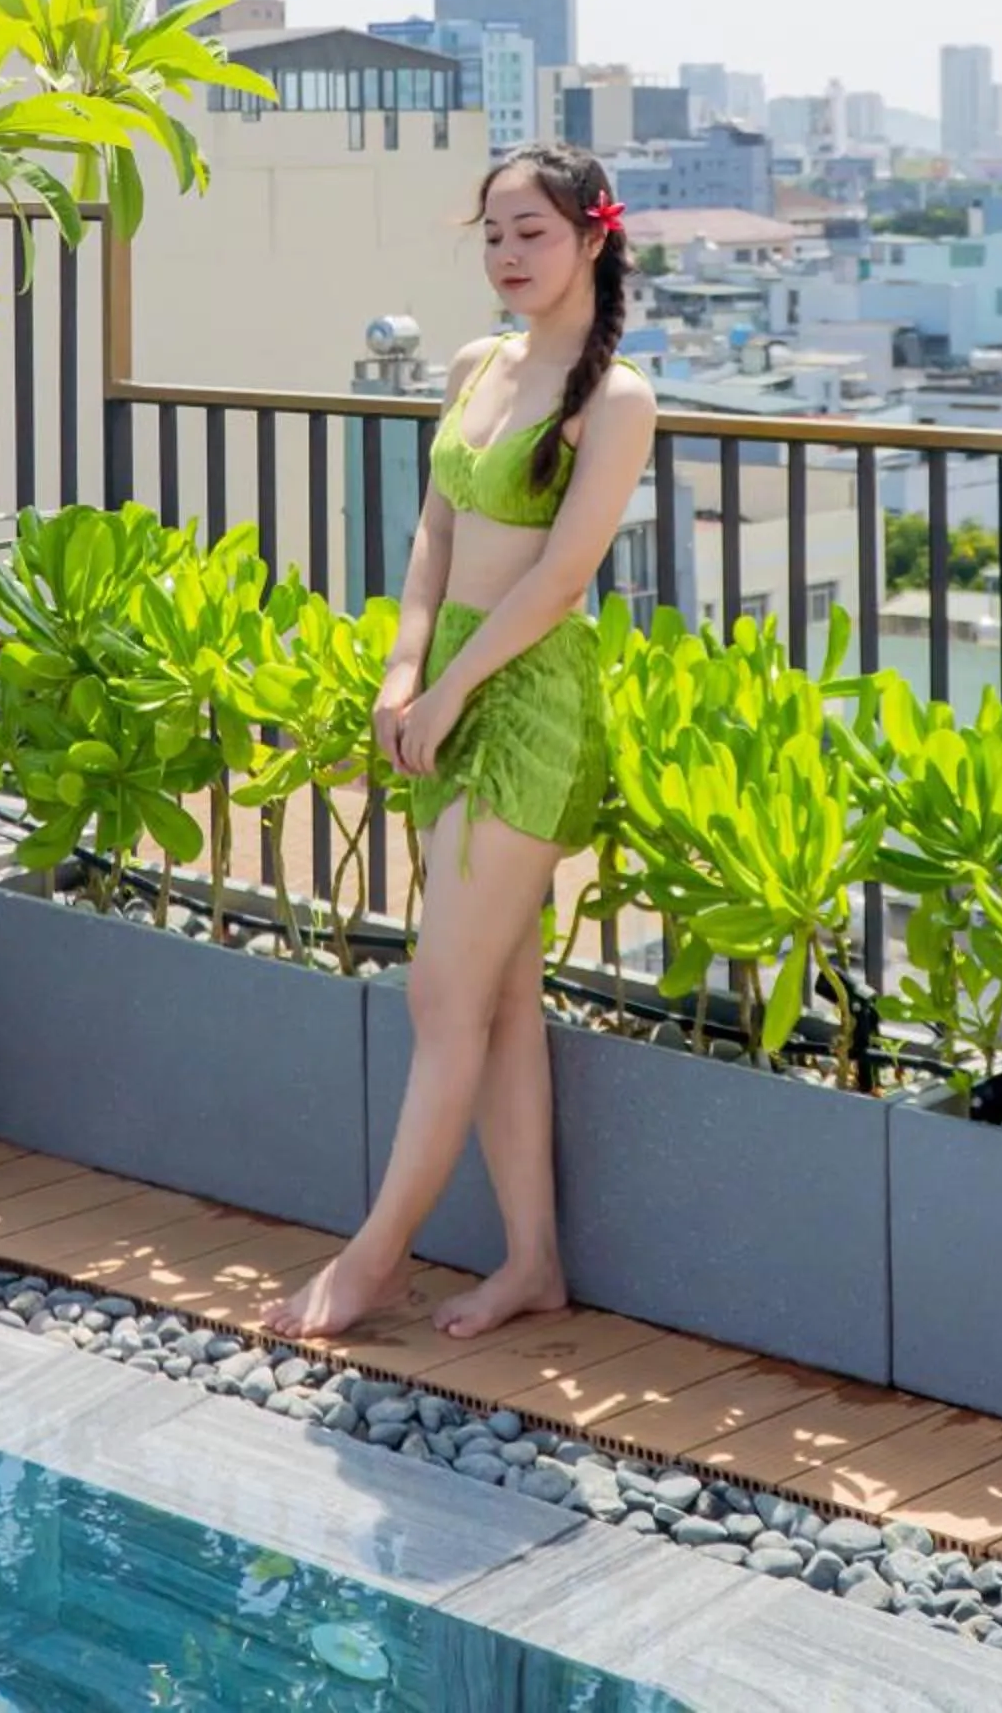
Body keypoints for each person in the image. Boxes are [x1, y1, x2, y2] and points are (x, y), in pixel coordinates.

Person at [262, 145, 656, 1345]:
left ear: (592, 236)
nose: (506, 255)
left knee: (441, 992)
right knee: (498, 997)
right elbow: (433, 532)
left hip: (529, 702)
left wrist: (448, 696)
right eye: (491, 234)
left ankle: (374, 1259)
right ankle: (532, 1262)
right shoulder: (475, 363)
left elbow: (555, 581)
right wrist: (402, 668)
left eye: (530, 232)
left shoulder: (615, 397)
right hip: (446, 682)